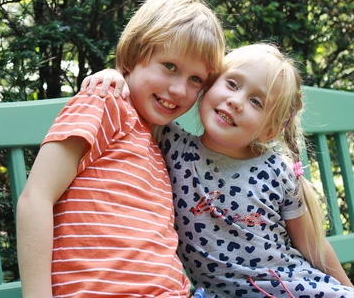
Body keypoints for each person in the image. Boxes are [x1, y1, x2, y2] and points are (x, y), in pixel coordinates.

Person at [81, 43, 354, 297]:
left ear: (269, 129)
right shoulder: (172, 144)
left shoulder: (275, 170)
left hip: (296, 289)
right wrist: (115, 75)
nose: (236, 101)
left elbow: (313, 247)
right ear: (209, 87)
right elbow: (142, 95)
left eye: (256, 102)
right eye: (232, 84)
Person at [16, 0, 226, 298]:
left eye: (196, 79)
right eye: (169, 66)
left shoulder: (160, 142)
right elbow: (36, 198)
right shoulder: (104, 103)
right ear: (132, 56)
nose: (179, 89)